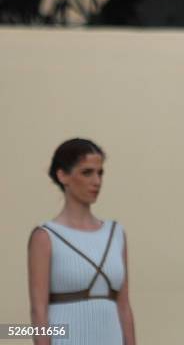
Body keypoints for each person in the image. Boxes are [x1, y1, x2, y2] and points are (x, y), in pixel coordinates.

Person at [28, 139, 135, 345]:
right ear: (63, 176)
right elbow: (38, 311)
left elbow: (124, 306)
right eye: (87, 172)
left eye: (100, 173)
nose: (97, 181)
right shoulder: (45, 236)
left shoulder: (116, 233)